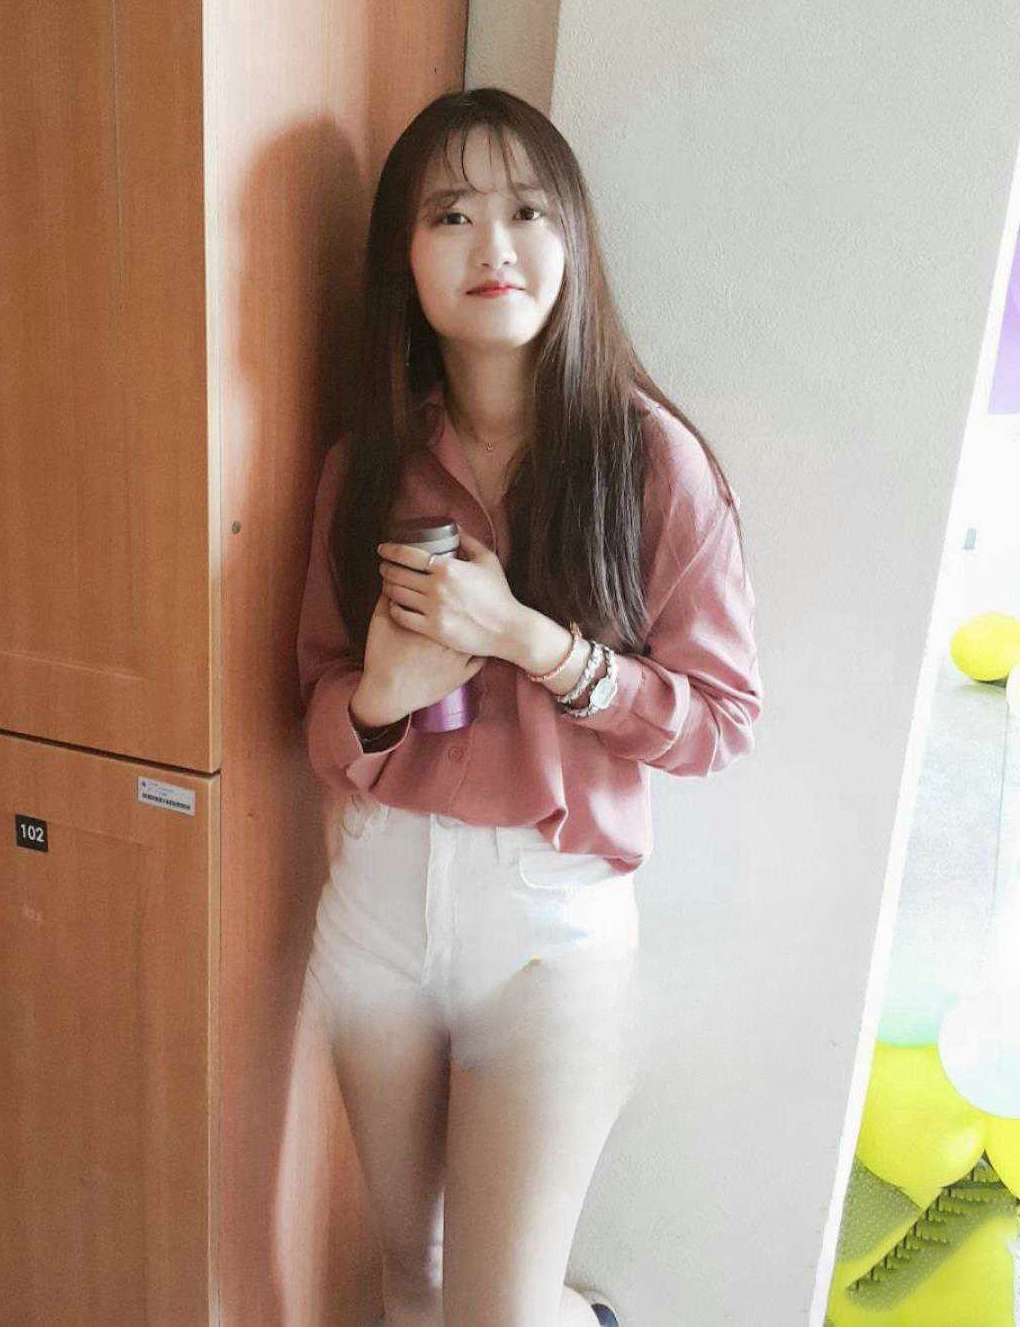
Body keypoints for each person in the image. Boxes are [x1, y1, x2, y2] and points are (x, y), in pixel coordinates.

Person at [295, 87, 763, 1327]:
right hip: (379, 899)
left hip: (551, 926)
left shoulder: (648, 461)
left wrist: (534, 643)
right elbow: (316, 706)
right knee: (413, 1280)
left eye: (526, 210)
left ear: (572, 238)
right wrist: (383, 699)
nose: (493, 245)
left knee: (493, 1312)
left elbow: (722, 717)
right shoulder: (366, 464)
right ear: (404, 257)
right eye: (450, 214)